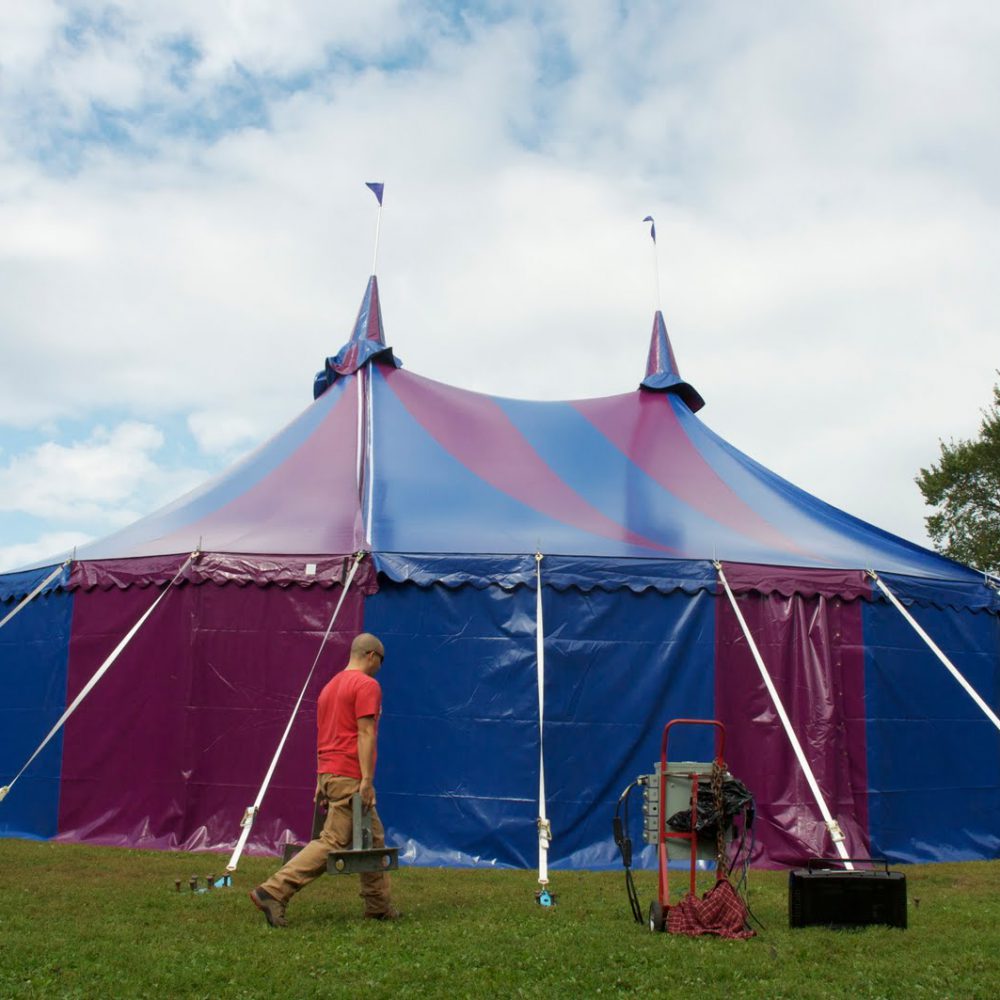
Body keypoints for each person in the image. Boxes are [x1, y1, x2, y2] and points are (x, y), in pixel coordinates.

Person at [250, 632, 399, 926]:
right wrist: (367, 779)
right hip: (349, 775)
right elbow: (366, 733)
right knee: (334, 841)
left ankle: (378, 906)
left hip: (330, 772)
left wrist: (320, 779)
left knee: (373, 838)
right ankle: (273, 890)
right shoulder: (367, 685)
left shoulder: (329, 688)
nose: (381, 667)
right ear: (371, 656)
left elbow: (323, 735)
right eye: (381, 661)